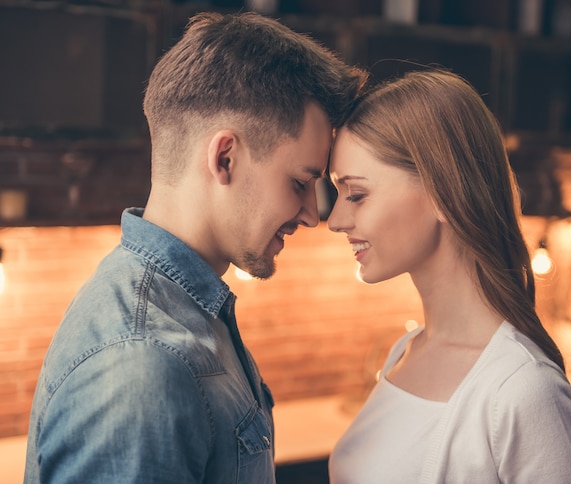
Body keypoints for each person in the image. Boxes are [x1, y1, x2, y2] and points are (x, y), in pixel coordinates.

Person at [24, 11, 366, 484]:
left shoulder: (183, 314)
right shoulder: (143, 365)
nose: (312, 213)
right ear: (224, 157)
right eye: (300, 182)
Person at [326, 69, 571, 483]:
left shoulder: (525, 392)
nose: (335, 220)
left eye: (357, 194)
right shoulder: (403, 353)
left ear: (443, 192)